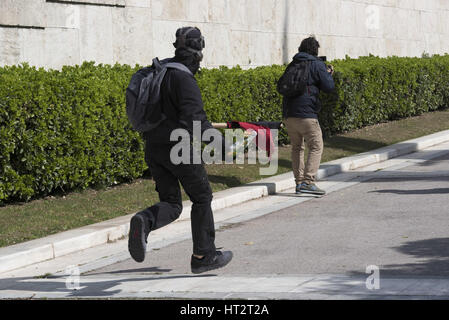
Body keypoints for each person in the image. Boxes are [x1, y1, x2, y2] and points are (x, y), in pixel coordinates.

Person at [128, 27, 233, 274]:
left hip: (153, 146)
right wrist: (223, 146)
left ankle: (145, 220)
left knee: (172, 203)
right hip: (179, 147)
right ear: (198, 52)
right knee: (202, 197)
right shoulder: (183, 78)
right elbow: (197, 121)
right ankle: (203, 256)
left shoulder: (163, 71)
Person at [282, 36, 335, 195]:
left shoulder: (293, 64)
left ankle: (299, 183)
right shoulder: (317, 64)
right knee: (316, 146)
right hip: (307, 114)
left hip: (289, 114)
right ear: (315, 50)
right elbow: (329, 87)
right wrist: (328, 73)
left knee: (297, 147)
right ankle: (308, 181)